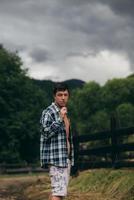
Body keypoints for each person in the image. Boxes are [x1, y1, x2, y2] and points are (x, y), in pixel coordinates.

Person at [40, 83, 74, 200]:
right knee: (58, 194)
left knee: (59, 193)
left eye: (66, 94)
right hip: (56, 159)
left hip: (65, 159)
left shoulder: (64, 112)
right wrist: (59, 118)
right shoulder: (48, 112)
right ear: (54, 96)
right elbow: (45, 133)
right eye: (60, 95)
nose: (63, 97)